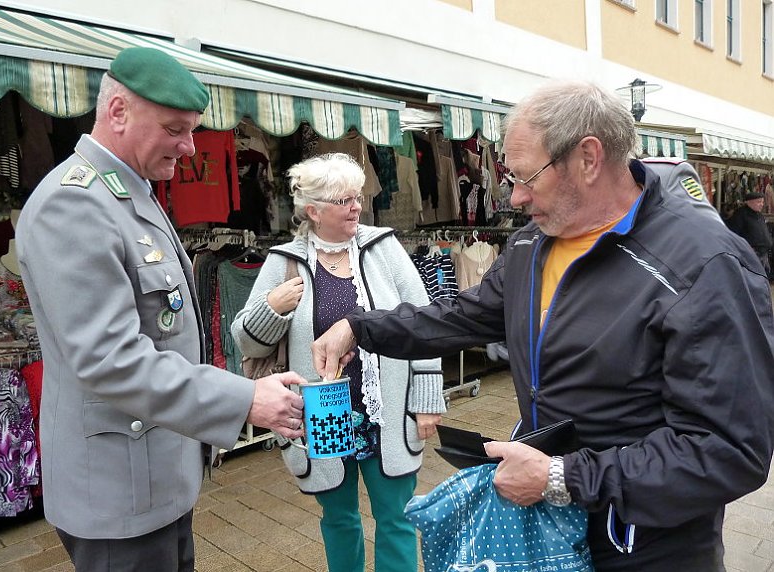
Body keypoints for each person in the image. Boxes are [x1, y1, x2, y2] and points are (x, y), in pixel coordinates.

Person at [312, 81, 774, 571]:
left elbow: (727, 450)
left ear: (589, 158)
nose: (515, 197)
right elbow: (464, 315)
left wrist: (562, 477)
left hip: (647, 548)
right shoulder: (532, 244)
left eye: (528, 177)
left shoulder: (706, 263)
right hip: (548, 535)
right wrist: (360, 327)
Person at [16, 47, 305, 572]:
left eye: (192, 130)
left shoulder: (132, 191)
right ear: (118, 112)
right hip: (115, 495)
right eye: (175, 129)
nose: (190, 147)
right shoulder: (74, 203)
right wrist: (243, 401)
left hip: (154, 480)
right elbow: (111, 359)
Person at [231, 152, 446, 572]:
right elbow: (247, 343)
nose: (356, 206)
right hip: (323, 415)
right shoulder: (283, 262)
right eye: (343, 199)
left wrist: (427, 396)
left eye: (356, 196)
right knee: (339, 518)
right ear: (313, 210)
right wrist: (272, 308)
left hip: (387, 411)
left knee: (397, 518)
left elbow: (424, 324)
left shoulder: (383, 248)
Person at [727, 191, 772, 278]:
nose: (761, 204)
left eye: (762, 202)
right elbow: (733, 235)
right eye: (758, 202)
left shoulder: (759, 215)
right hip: (750, 254)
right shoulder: (740, 215)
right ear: (748, 202)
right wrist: (745, 248)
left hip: (763, 254)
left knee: (762, 278)